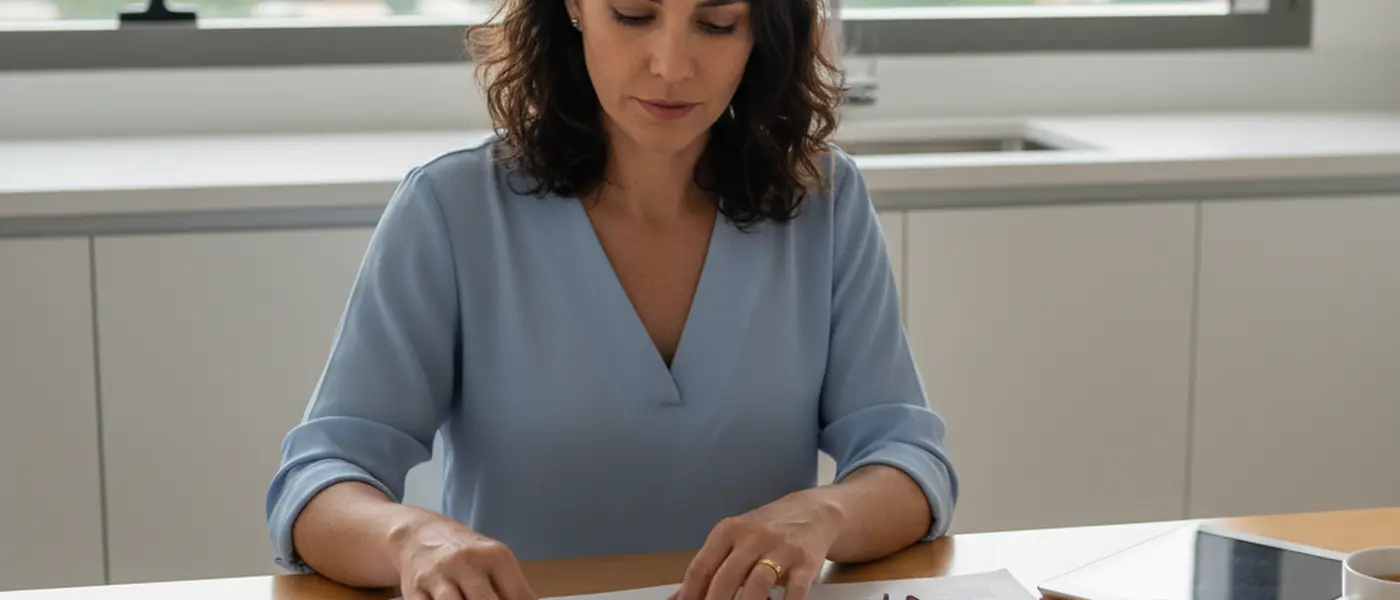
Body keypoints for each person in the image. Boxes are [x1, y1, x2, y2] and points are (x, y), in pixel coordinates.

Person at [264, 0, 958, 595]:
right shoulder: (451, 209)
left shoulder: (824, 204)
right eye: (634, 14)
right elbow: (321, 478)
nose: (671, 65)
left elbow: (908, 460)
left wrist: (824, 515)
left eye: (717, 23)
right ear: (573, 8)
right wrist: (410, 539)